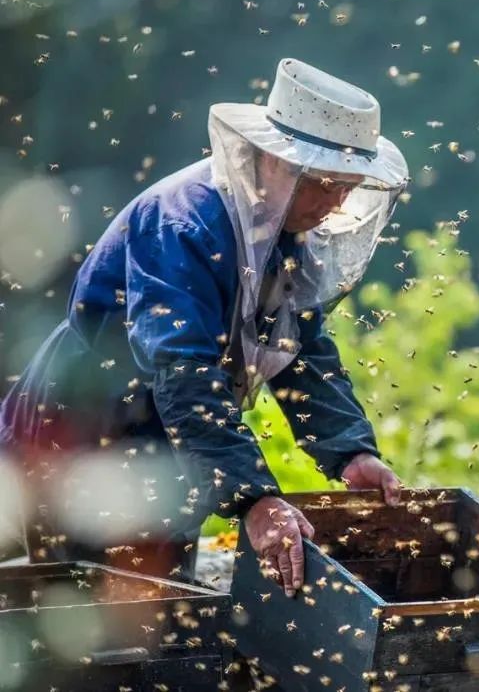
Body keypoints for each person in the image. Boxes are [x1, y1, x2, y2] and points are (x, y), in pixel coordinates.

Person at [0, 58, 408, 596]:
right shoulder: (183, 224)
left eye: (348, 189)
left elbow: (301, 349)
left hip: (168, 443)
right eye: (328, 185)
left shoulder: (286, 231)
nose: (337, 204)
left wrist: (350, 452)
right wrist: (256, 499)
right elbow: (184, 373)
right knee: (91, 620)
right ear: (272, 161)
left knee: (161, 617)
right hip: (85, 433)